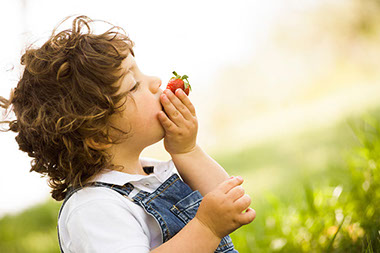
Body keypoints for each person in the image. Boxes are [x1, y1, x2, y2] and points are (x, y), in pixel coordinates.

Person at [0, 15, 256, 252]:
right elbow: (213, 221)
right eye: (134, 85)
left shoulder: (154, 173)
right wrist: (206, 228)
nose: (156, 81)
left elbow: (233, 199)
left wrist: (187, 150)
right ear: (99, 136)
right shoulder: (93, 208)